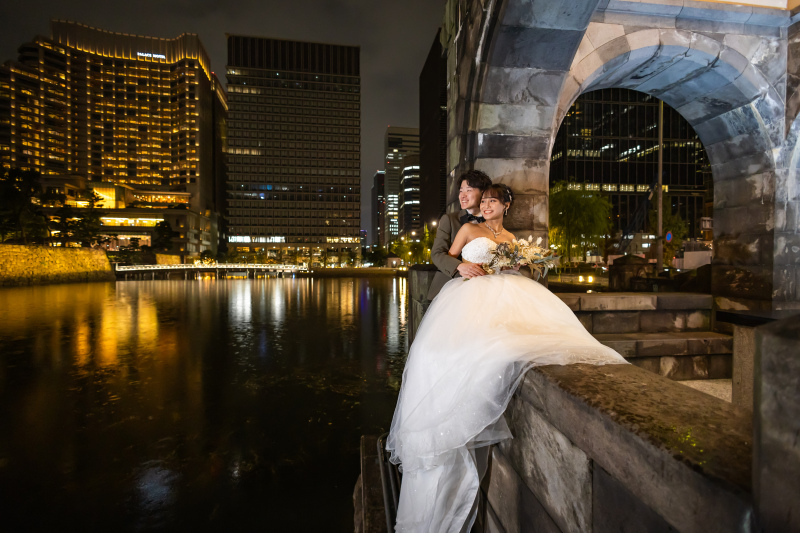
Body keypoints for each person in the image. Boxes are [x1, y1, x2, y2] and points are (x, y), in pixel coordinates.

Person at [387, 184, 627, 533]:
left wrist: (513, 266)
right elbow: (449, 258)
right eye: (482, 200)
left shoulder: (512, 237)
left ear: (506, 206)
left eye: (491, 201)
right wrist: (462, 267)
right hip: (466, 296)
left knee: (519, 336)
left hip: (500, 292)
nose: (484, 205)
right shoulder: (468, 228)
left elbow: (513, 267)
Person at [427, 170, 493, 300]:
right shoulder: (450, 220)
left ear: (483, 193)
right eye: (461, 191)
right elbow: (437, 253)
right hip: (449, 288)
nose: (462, 195)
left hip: (484, 289)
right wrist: (458, 266)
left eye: (468, 190)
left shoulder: (493, 222)